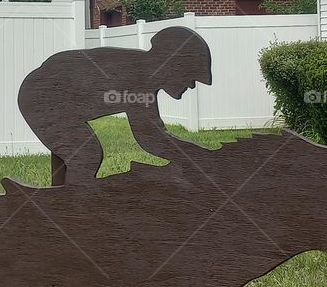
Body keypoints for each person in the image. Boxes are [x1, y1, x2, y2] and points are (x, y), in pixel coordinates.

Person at [17, 26, 212, 182]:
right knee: (86, 156)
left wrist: (195, 156)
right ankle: (72, 208)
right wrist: (199, 158)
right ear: (172, 66)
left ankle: (68, 200)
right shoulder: (138, 79)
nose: (192, 85)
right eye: (192, 77)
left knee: (78, 152)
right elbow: (151, 138)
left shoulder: (143, 76)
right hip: (41, 96)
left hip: (54, 91)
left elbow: (153, 136)